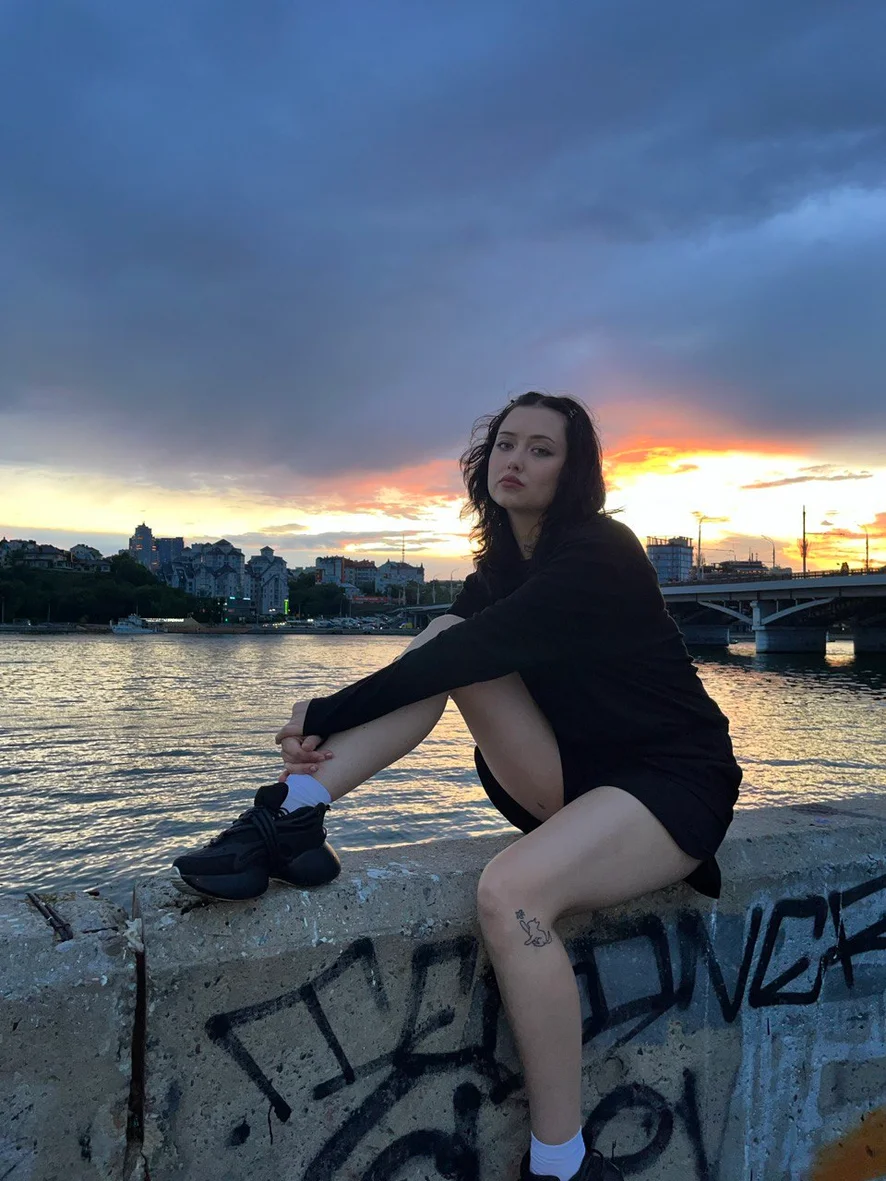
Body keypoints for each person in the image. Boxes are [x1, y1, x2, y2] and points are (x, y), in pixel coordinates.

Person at [172, 391, 742, 1181]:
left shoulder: (600, 552)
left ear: (573, 471)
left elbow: (461, 660)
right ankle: (293, 813)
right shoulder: (498, 572)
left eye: (542, 449)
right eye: (506, 443)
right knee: (446, 631)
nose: (517, 459)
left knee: (510, 893)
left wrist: (325, 711)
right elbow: (443, 658)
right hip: (579, 777)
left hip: (671, 783)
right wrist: (329, 721)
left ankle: (559, 1163)